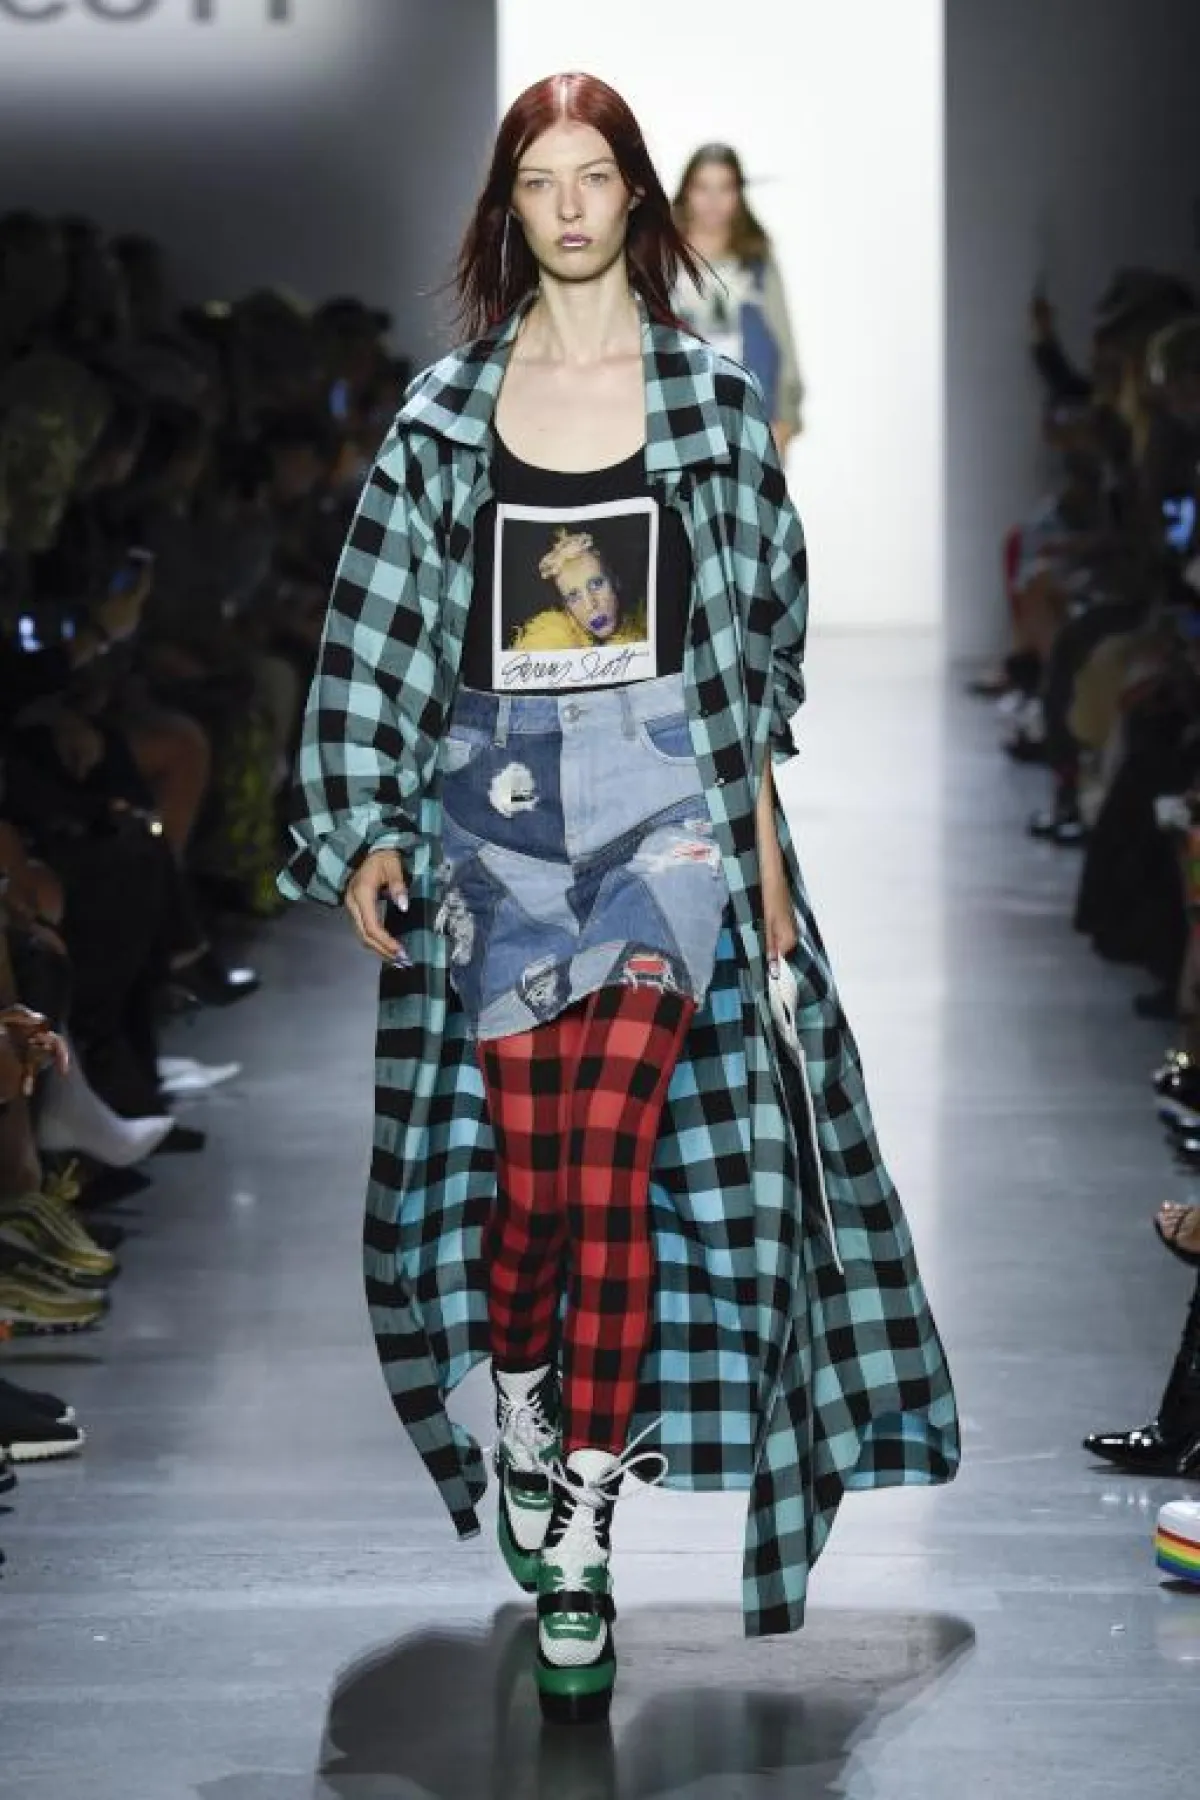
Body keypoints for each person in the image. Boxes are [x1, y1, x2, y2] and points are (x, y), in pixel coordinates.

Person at [280, 69, 959, 1726]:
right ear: (508, 209)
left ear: (636, 198)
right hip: (496, 825)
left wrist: (765, 855)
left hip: (667, 819)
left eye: (596, 177)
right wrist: (364, 828)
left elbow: (756, 655)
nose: (571, 206)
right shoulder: (446, 416)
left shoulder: (711, 408)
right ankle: (522, 1404)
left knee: (609, 1161)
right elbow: (378, 630)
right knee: (530, 1186)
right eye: (543, 182)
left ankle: (584, 1527)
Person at [670, 142, 804, 458]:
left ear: (738, 195)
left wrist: (785, 420)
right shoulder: (660, 259)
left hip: (748, 423)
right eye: (703, 188)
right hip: (676, 421)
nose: (713, 201)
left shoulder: (756, 261)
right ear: (686, 191)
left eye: (724, 188)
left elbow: (783, 341)